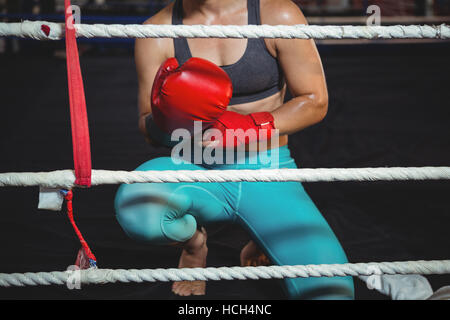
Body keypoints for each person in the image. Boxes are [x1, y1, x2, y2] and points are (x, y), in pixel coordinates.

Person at [115, 0, 355, 299]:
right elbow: (148, 129)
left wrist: (247, 127)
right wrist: (166, 115)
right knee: (137, 206)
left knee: (331, 292)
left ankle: (263, 232)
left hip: (266, 170)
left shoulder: (276, 14)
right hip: (196, 170)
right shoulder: (157, 32)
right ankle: (195, 245)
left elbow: (315, 101)